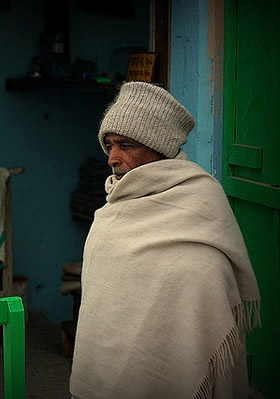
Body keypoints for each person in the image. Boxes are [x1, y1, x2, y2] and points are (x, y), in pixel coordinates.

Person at [69, 82, 260, 399]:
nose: (112, 158)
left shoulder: (201, 198)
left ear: (157, 146)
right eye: (109, 145)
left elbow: (208, 281)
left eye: (126, 145)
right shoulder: (111, 210)